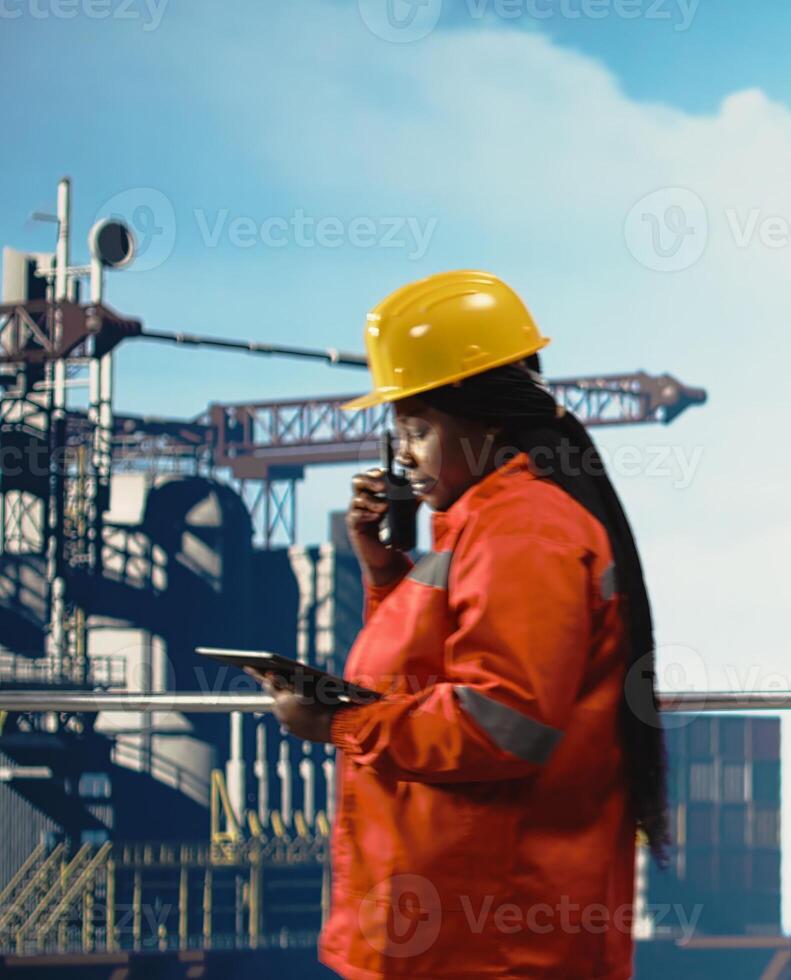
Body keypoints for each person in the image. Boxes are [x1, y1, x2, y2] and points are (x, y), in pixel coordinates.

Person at [255, 270, 666, 979]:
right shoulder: (477, 526)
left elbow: (499, 721)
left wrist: (339, 726)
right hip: (452, 926)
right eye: (398, 431)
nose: (402, 453)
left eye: (416, 429)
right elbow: (427, 669)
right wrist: (383, 569)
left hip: (492, 942)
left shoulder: (523, 532)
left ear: (485, 419)